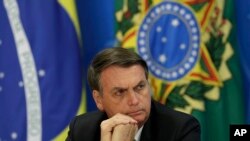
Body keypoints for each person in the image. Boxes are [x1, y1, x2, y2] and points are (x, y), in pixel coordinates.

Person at [66, 47, 201, 141]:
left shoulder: (181, 129)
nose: (134, 100)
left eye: (140, 87)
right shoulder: (82, 130)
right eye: (120, 92)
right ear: (99, 99)